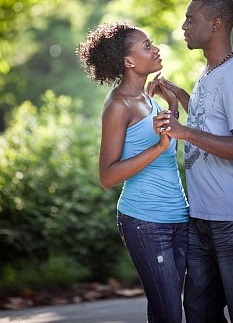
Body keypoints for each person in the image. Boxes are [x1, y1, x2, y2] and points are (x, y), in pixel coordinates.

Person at [148, 0, 233, 323]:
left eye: (192, 19)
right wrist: (180, 95)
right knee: (199, 312)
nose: (183, 26)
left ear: (216, 24)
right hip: (203, 216)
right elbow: (214, 122)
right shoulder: (211, 73)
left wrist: (185, 132)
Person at [76, 21, 189, 323]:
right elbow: (107, 176)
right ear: (128, 61)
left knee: (166, 311)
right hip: (146, 222)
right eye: (147, 46)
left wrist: (173, 105)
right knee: (169, 313)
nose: (156, 49)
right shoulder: (118, 105)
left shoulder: (148, 100)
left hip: (179, 217)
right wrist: (157, 147)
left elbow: (167, 153)